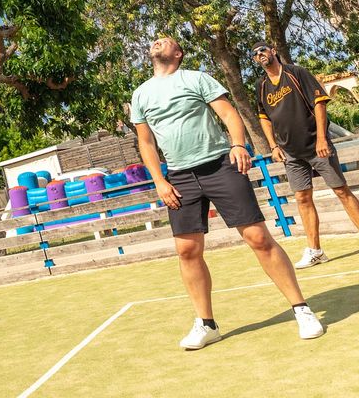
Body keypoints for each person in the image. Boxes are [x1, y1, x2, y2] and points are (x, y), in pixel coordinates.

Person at [131, 36, 325, 349]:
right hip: (179, 177)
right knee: (187, 251)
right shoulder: (141, 93)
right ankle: (206, 324)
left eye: (165, 41)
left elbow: (230, 114)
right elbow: (146, 142)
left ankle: (301, 309)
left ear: (178, 53)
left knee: (259, 239)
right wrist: (159, 181)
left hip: (219, 166)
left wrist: (238, 144)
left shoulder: (196, 78)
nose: (157, 42)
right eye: (155, 40)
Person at [253, 41, 359, 265]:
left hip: (317, 146)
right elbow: (264, 118)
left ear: (273, 51)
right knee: (302, 197)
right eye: (255, 54)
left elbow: (319, 103)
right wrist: (273, 146)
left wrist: (322, 138)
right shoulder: (261, 85)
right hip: (290, 153)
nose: (260, 55)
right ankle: (315, 251)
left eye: (263, 50)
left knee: (341, 191)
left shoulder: (297, 73)